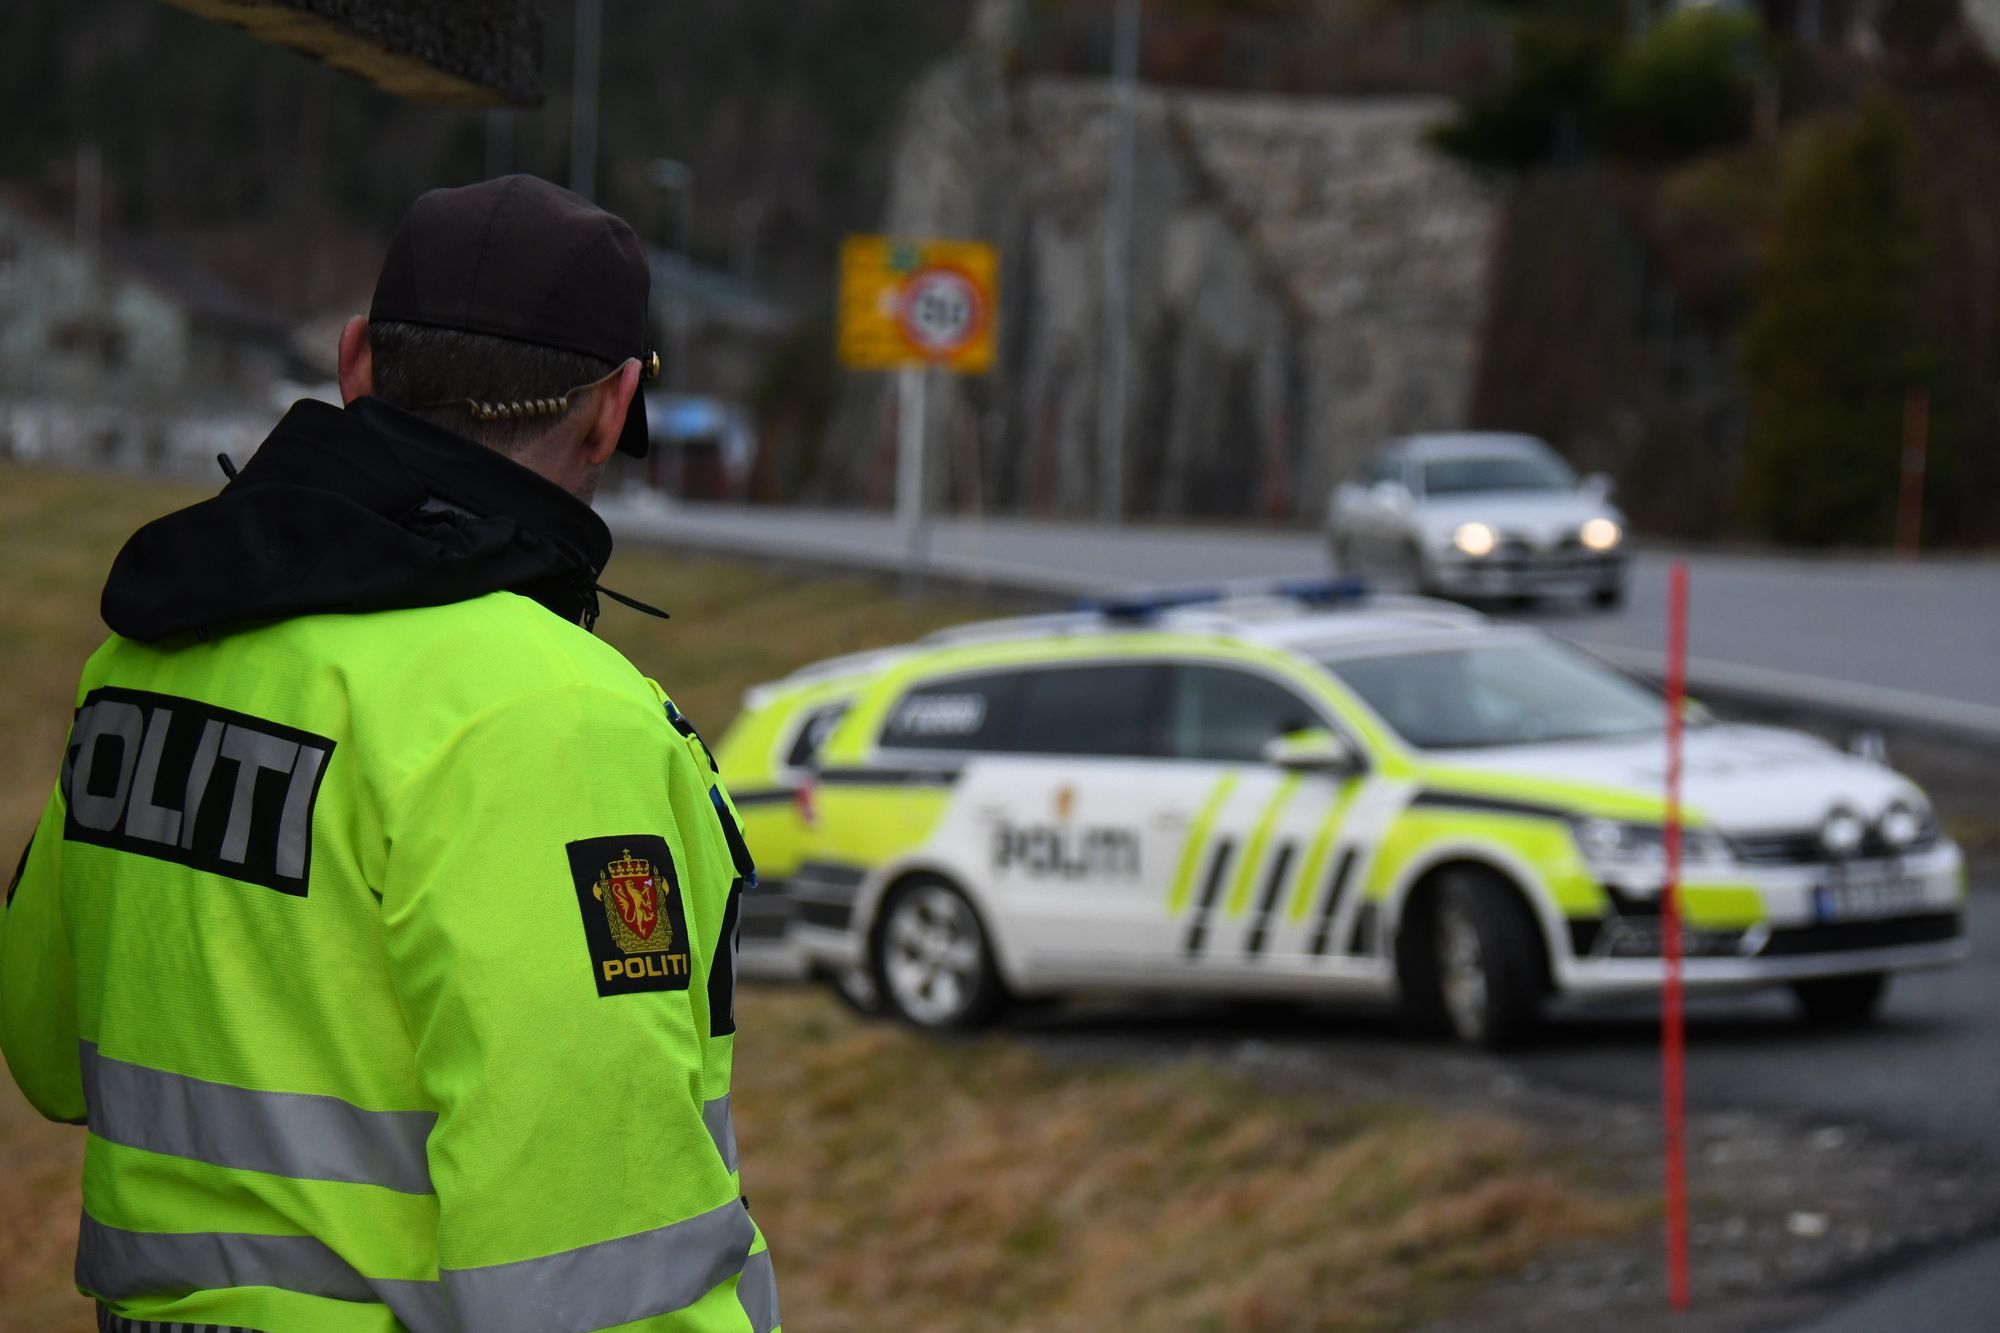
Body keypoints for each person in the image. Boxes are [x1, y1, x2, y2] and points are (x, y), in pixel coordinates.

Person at [0, 175, 779, 1333]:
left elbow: (46, 1047)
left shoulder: (146, 661)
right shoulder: (550, 718)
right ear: (613, 410)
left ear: (355, 361)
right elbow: (596, 1267)